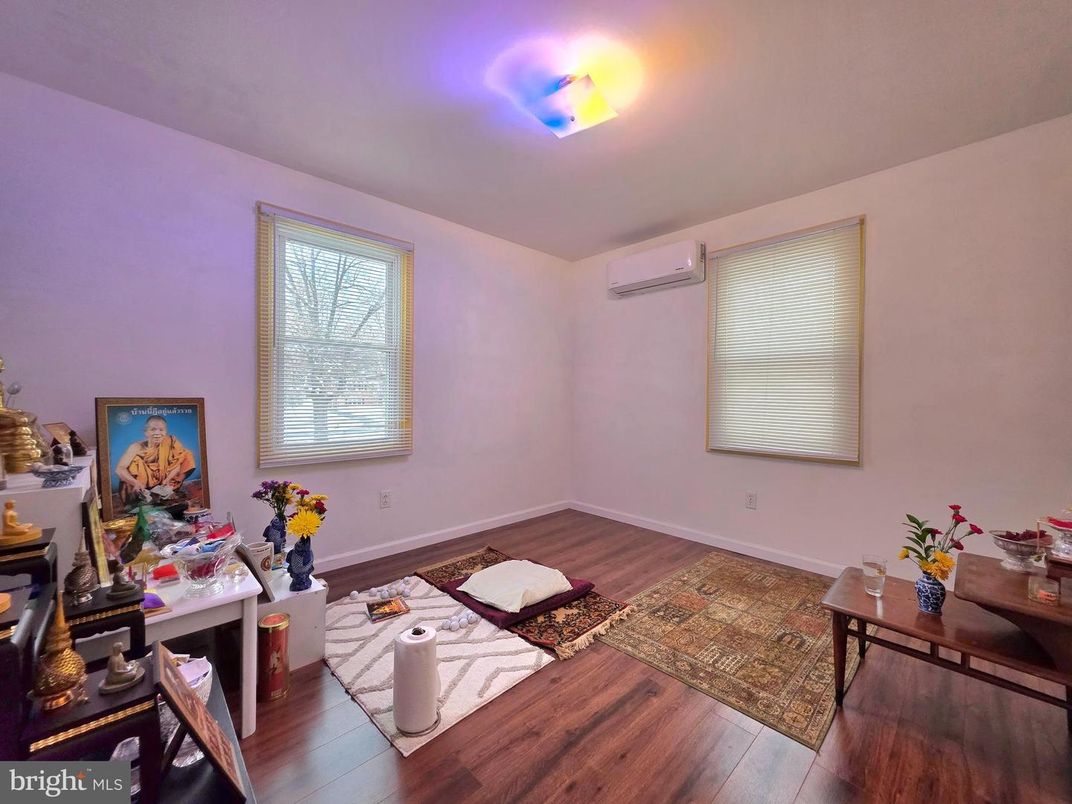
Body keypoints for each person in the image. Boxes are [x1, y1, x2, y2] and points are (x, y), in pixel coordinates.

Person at [115, 415, 196, 509]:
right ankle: (140, 499)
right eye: (153, 429)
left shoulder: (170, 442)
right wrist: (135, 482)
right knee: (135, 463)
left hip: (163, 483)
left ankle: (168, 491)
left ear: (165, 432)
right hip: (141, 486)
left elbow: (177, 464)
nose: (157, 433)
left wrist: (168, 480)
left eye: (161, 430)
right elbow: (119, 469)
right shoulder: (136, 447)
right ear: (146, 432)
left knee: (187, 454)